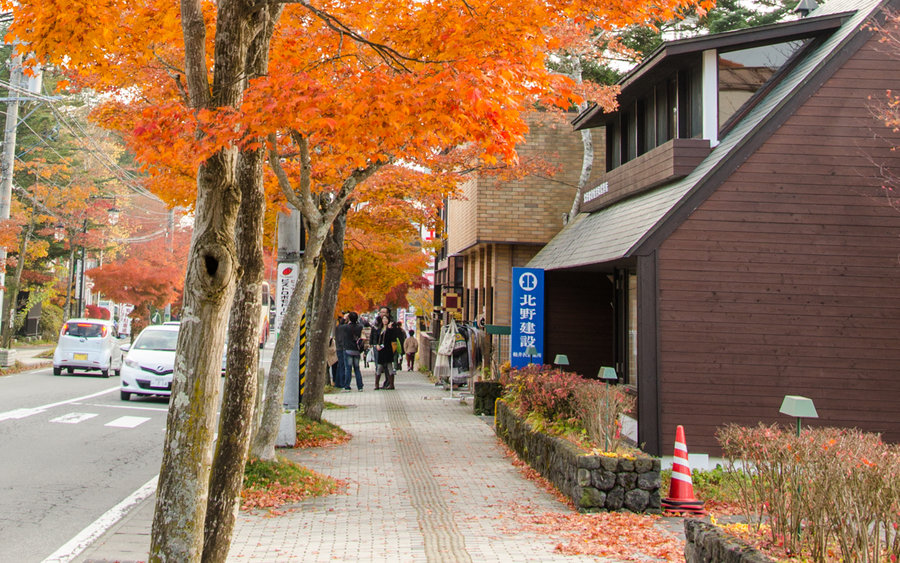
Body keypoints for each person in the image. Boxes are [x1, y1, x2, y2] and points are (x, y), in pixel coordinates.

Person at [372, 308, 400, 390]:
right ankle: (376, 384)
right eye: (383, 319)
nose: (384, 321)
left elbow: (392, 338)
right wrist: (376, 345)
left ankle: (391, 384)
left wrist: (389, 329)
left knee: (389, 366)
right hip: (381, 350)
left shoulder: (390, 329)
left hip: (388, 350)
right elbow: (377, 338)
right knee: (379, 367)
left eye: (386, 319)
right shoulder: (379, 329)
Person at [336, 311, 364, 391]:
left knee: (348, 369)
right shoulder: (360, 327)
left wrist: (344, 319)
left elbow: (339, 327)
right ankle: (360, 386)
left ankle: (347, 386)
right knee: (357, 369)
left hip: (348, 349)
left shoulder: (346, 327)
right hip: (356, 350)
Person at [333, 315, 348, 390]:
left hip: (339, 348)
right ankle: (341, 383)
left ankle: (338, 383)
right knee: (342, 366)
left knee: (340, 366)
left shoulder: (338, 328)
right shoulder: (342, 328)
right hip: (342, 348)